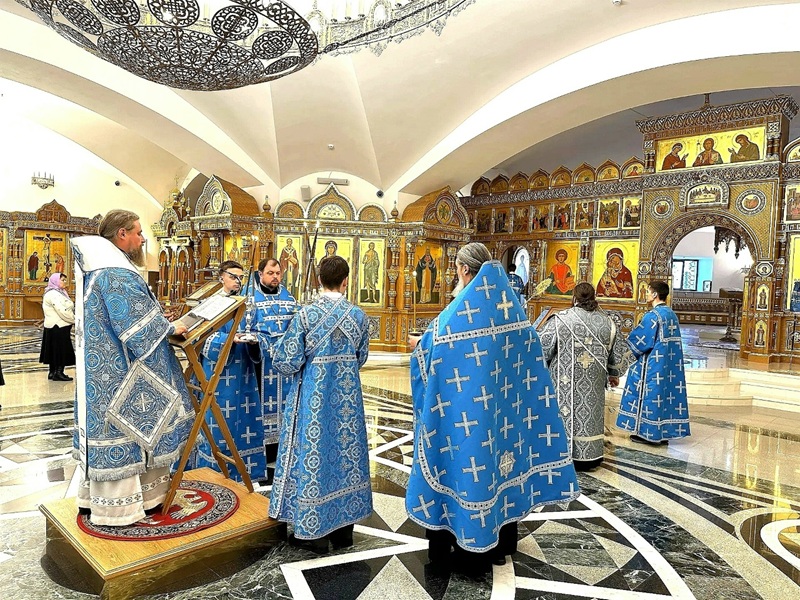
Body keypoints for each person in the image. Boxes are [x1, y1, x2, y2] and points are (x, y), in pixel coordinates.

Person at [407, 242, 579, 569]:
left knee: (466, 468)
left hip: (466, 416)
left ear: (463, 270)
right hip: (505, 416)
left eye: (457, 269)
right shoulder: (513, 312)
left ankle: (463, 547)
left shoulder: (455, 316)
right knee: (502, 468)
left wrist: (419, 346)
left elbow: (430, 354)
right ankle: (501, 543)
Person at [71, 209, 194, 526]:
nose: (142, 239)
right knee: (130, 430)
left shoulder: (98, 269)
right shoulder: (115, 273)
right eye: (138, 232)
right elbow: (136, 329)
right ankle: (120, 508)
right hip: (121, 373)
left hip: (103, 370)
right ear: (121, 234)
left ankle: (106, 500)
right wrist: (171, 327)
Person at [270, 256, 371, 553]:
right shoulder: (358, 316)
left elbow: (287, 361)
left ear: (318, 280)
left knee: (314, 453)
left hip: (314, 399)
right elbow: (361, 357)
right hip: (348, 402)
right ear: (346, 281)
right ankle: (344, 531)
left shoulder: (306, 315)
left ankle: (313, 533)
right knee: (345, 455)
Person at [539, 283, 628, 470]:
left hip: (564, 382)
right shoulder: (608, 322)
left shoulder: (561, 320)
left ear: (574, 298)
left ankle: (565, 453)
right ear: (594, 298)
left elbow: (542, 349)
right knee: (591, 414)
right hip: (594, 382)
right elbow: (618, 356)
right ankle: (591, 455)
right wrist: (613, 374)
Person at [193, 260, 263, 483]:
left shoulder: (247, 305)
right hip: (219, 374)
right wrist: (229, 339)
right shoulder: (209, 304)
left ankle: (243, 473)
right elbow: (199, 337)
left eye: (241, 277)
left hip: (244, 371)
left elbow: (258, 331)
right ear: (221, 276)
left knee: (245, 422)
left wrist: (255, 341)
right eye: (233, 276)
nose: (238, 281)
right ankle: (213, 472)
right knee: (217, 421)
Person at [616, 280, 691, 445]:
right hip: (668, 365)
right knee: (664, 396)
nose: (646, 294)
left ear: (655, 294)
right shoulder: (671, 315)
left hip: (652, 365)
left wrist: (621, 345)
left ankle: (648, 434)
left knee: (650, 396)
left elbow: (640, 341)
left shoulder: (653, 316)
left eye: (649, 291)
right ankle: (662, 433)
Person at [249, 258, 298, 484]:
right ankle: (265, 448)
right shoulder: (251, 299)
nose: (275, 276)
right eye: (270, 273)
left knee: (285, 405)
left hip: (284, 365)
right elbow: (247, 327)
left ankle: (282, 445)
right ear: (260, 274)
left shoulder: (289, 298)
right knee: (262, 404)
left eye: (278, 272)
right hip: (262, 362)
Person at [40, 272, 76, 382]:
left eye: (65, 280)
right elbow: (62, 311)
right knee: (60, 350)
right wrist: (75, 320)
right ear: (55, 281)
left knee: (53, 350)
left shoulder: (59, 292)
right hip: (58, 326)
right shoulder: (53, 294)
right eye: (62, 280)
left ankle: (53, 371)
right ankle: (58, 372)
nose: (65, 282)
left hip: (55, 326)